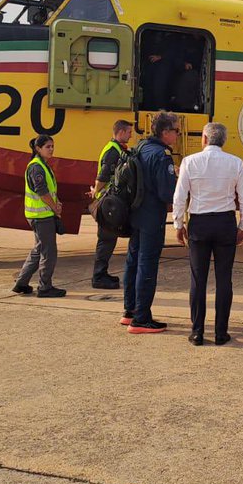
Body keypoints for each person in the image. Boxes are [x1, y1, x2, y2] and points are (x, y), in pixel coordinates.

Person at [173, 123, 243, 346]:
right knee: (224, 279)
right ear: (223, 141)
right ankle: (220, 332)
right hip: (225, 222)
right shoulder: (235, 162)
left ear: (204, 139)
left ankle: (197, 331)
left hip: (200, 222)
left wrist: (179, 224)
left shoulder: (190, 161)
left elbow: (180, 196)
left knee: (198, 279)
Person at [122, 111, 179, 333]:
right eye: (175, 130)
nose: (177, 135)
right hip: (151, 217)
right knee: (147, 264)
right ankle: (142, 318)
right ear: (165, 132)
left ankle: (130, 311)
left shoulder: (141, 146)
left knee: (133, 260)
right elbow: (167, 192)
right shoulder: (161, 155)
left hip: (135, 213)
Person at [13, 135, 66, 298]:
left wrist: (56, 203)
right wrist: (55, 208)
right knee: (49, 252)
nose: (51, 149)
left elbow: (48, 191)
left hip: (40, 214)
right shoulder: (37, 167)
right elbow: (42, 192)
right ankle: (45, 287)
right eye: (48, 146)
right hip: (41, 216)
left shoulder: (42, 165)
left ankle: (21, 283)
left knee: (38, 250)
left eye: (52, 146)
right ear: (38, 148)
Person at [89, 119, 133, 289]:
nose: (131, 135)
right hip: (108, 203)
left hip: (111, 201)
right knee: (106, 240)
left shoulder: (115, 149)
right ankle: (98, 276)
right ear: (121, 132)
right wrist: (96, 191)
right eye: (129, 132)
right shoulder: (113, 152)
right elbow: (104, 175)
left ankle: (102, 273)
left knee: (109, 239)